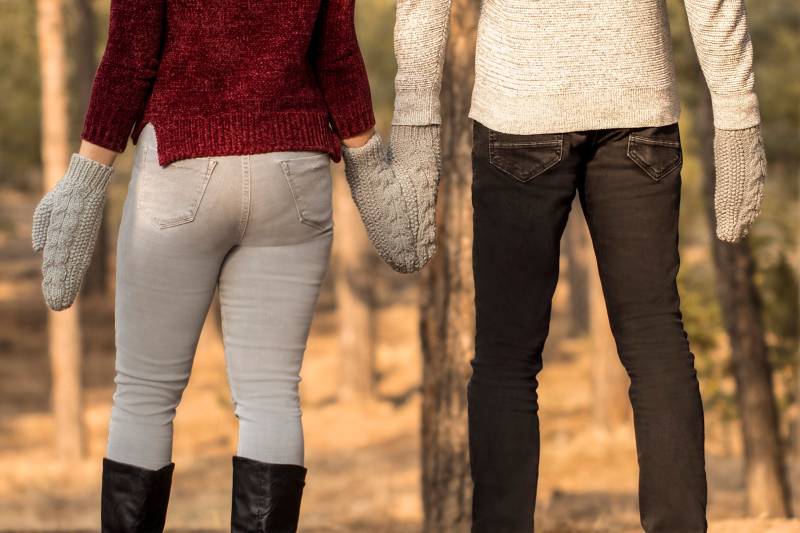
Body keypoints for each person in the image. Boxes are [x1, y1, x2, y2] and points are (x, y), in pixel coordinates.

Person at [349, 0, 767, 531]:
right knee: (655, 339)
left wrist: (415, 122)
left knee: (506, 357)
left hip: (521, 109)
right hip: (638, 106)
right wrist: (737, 114)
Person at [29, 0, 406, 530]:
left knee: (145, 396)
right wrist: (369, 163)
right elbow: (338, 54)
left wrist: (86, 176)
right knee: (272, 395)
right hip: (293, 168)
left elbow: (129, 57)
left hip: (183, 161)